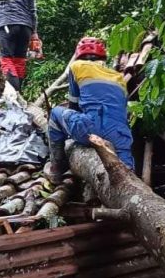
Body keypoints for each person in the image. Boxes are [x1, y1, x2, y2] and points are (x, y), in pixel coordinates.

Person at [46, 37, 134, 182]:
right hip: (120, 134)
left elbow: (73, 104)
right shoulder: (118, 77)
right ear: (103, 58)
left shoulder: (77, 66)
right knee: (128, 173)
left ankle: (57, 168)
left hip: (90, 128)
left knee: (55, 113)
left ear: (79, 55)